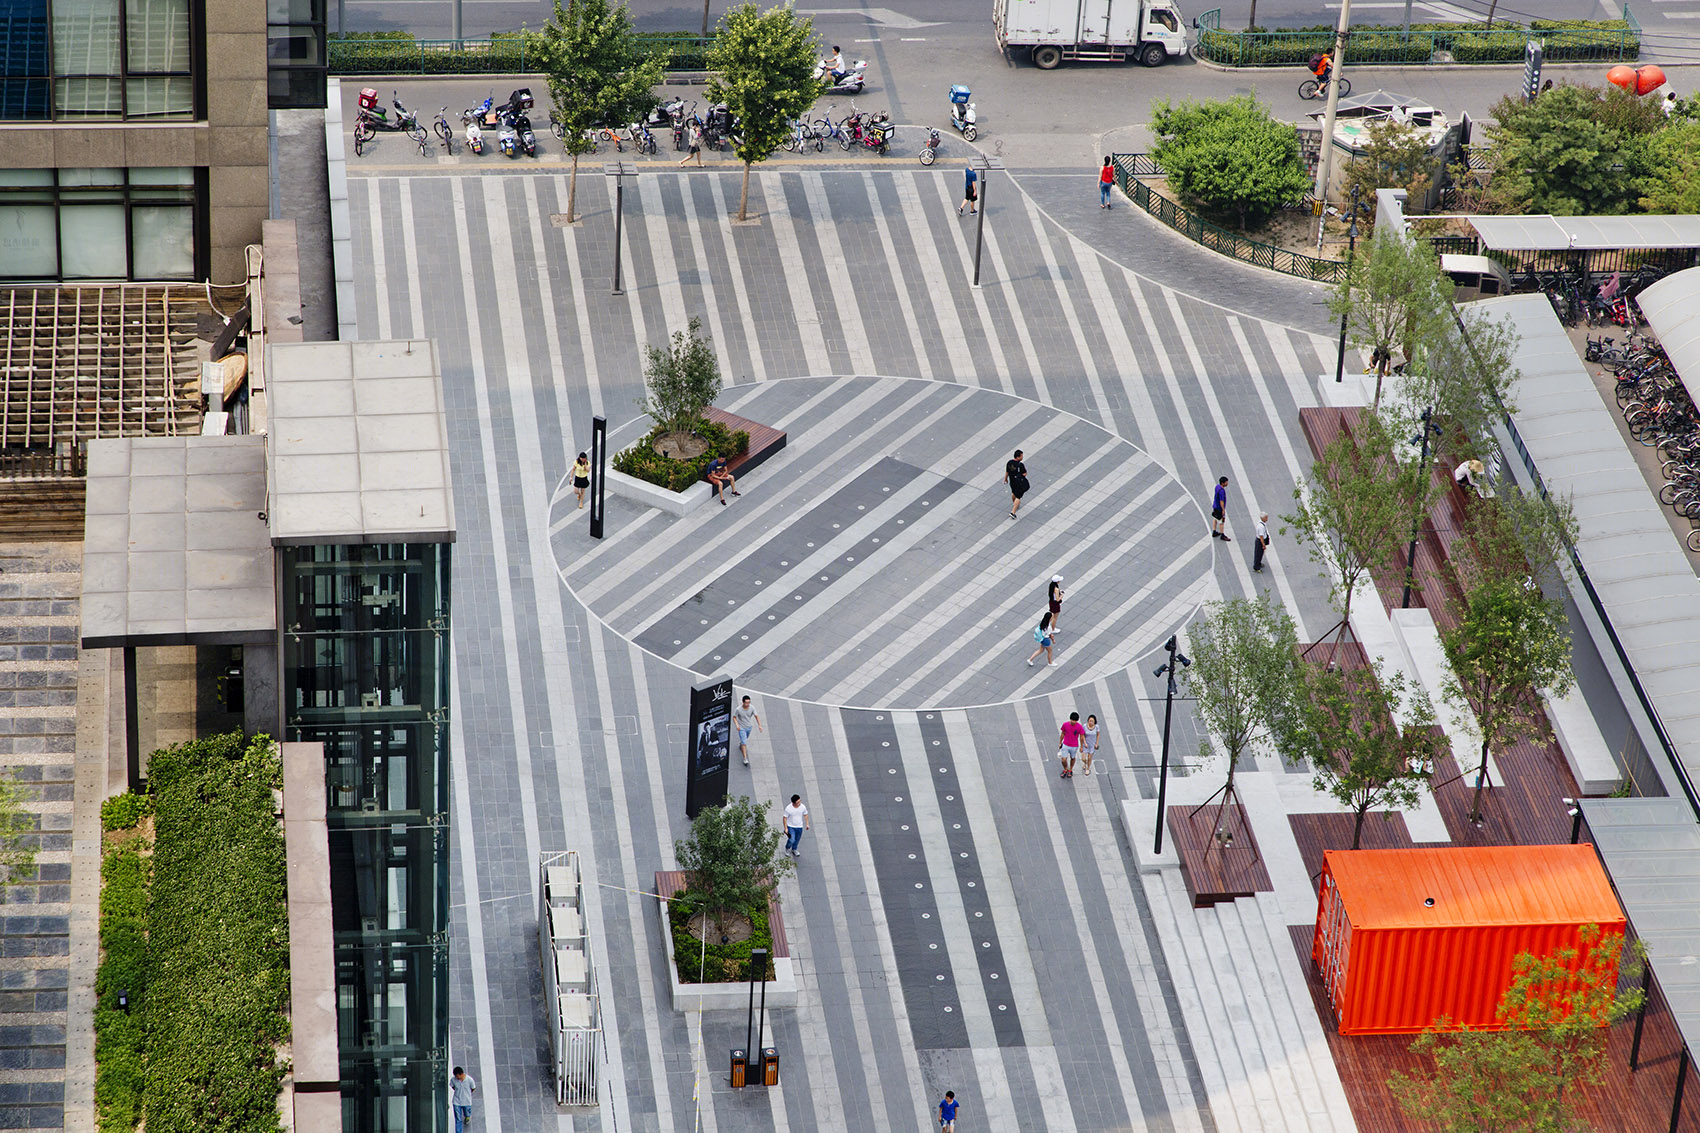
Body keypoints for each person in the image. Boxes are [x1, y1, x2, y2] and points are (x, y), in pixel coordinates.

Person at [733, 695, 761, 767]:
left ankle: (741, 744)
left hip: (749, 727)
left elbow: (756, 716)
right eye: (746, 703)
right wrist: (737, 725)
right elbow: (734, 717)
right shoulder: (738, 709)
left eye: (749, 702)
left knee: (744, 740)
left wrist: (759, 725)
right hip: (741, 728)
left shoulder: (752, 707)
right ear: (743, 702)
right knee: (744, 743)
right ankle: (745, 758)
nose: (748, 704)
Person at [1058, 711, 1086, 779]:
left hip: (1074, 745)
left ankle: (1070, 769)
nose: (1073, 722)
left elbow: (1081, 737)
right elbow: (1063, 733)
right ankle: (1065, 769)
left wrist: (1082, 746)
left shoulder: (1079, 727)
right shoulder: (1065, 725)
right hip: (1065, 744)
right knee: (1063, 759)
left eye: (1075, 720)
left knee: (1072, 758)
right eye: (1072, 720)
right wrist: (1060, 742)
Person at [451, 1067, 477, 1133]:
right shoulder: (453, 1080)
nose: (457, 1078)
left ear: (461, 1074)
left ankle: (467, 1117)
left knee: (467, 1113)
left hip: (467, 1101)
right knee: (458, 1119)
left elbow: (473, 1088)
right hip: (457, 1101)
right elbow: (453, 1086)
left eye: (458, 1076)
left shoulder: (469, 1080)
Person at [1004, 449, 1028, 519]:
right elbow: (1024, 473)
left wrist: (1005, 479)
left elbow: (1007, 472)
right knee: (1018, 496)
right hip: (1018, 483)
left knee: (1013, 492)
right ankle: (1013, 512)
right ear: (1018, 457)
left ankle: (1014, 504)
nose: (1022, 457)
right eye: (1021, 456)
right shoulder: (1020, 465)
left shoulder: (1009, 462)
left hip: (1012, 481)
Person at [1210, 476, 1231, 542]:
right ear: (1223, 483)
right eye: (1226, 482)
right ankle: (1222, 534)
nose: (1227, 483)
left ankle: (1214, 531)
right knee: (1221, 521)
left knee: (1215, 518)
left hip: (1215, 506)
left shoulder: (1217, 487)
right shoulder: (1222, 491)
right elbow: (1221, 501)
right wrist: (1223, 510)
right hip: (1219, 508)